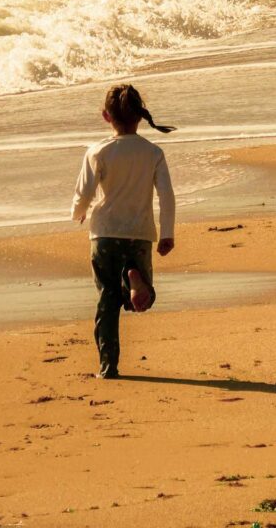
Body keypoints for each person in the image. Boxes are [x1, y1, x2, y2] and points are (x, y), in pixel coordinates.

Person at [71, 84, 177, 379]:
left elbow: (84, 193)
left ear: (106, 116)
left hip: (105, 233)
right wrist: (167, 233)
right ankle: (134, 277)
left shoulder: (98, 151)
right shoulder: (153, 152)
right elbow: (166, 196)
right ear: (141, 116)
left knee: (107, 299)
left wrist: (78, 213)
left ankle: (108, 366)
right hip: (139, 234)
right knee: (144, 300)